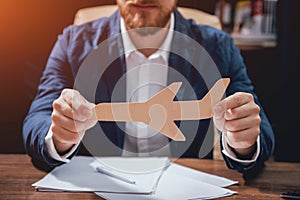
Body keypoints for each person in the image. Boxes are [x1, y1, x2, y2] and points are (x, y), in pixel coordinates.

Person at [23, 0, 275, 177]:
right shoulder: (72, 42)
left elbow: (259, 127)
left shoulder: (218, 46)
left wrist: (243, 142)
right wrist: (58, 137)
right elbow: (38, 118)